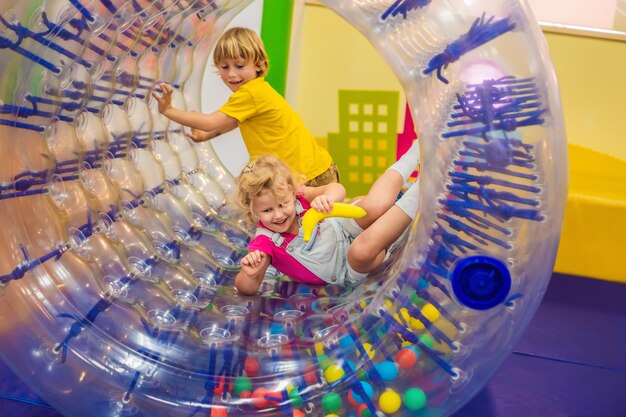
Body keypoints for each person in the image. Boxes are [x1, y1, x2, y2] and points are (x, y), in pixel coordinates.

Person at [151, 27, 338, 186]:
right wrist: (206, 135)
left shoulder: (250, 93)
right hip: (315, 170)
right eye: (225, 67)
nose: (232, 74)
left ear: (259, 65)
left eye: (239, 66)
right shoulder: (258, 89)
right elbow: (234, 122)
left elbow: (210, 121)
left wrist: (169, 110)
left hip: (307, 177)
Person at [233, 140, 421, 295]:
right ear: (253, 211)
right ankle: (423, 188)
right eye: (267, 211)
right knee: (360, 251)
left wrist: (328, 198)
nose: (279, 214)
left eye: (283, 204)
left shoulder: (299, 194)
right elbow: (247, 288)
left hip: (343, 226)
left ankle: (415, 153)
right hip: (348, 267)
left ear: (291, 191)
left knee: (374, 206)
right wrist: (249, 275)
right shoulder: (265, 243)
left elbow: (337, 189)